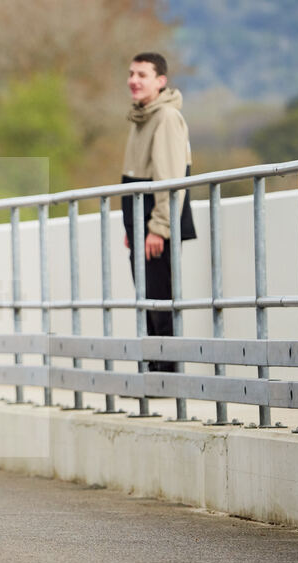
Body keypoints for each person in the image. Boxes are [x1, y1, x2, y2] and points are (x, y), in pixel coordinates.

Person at [121, 52, 197, 372]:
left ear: (160, 81)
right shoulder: (142, 116)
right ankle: (154, 372)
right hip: (142, 225)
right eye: (131, 74)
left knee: (160, 300)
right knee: (147, 300)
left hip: (156, 226)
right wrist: (132, 227)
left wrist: (159, 227)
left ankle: (165, 375)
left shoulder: (165, 117)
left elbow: (169, 178)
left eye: (142, 74)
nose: (134, 80)